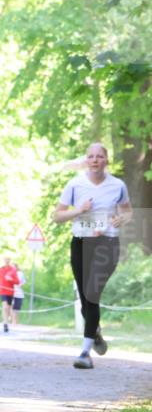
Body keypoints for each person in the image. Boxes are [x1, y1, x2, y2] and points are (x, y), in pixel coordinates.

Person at [52, 142, 132, 369]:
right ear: (86, 160)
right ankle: (94, 331)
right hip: (80, 243)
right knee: (85, 301)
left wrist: (121, 219)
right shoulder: (75, 184)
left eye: (99, 156)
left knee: (92, 293)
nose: (95, 160)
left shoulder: (118, 185)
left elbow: (128, 211)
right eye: (91, 156)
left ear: (106, 160)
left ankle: (85, 353)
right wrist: (79, 210)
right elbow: (56, 216)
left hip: (107, 244)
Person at [0, 256, 18, 332]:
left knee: (8, 307)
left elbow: (17, 281)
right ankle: (5, 323)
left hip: (10, 291)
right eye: (5, 259)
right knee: (5, 307)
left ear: (10, 260)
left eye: (8, 259)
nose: (7, 261)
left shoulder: (13, 270)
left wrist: (11, 280)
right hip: (2, 291)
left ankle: (6, 320)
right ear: (3, 260)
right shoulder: (0, 270)